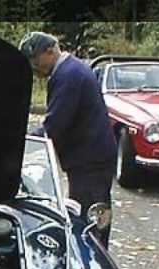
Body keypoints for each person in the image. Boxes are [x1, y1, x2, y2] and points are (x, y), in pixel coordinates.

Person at [18, 31, 117, 246]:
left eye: (36, 61)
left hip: (90, 159)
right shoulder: (70, 68)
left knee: (89, 219)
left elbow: (55, 125)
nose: (35, 68)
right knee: (91, 212)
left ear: (51, 50)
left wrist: (22, 141)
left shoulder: (68, 75)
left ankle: (92, 263)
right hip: (91, 156)